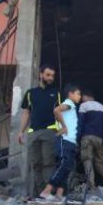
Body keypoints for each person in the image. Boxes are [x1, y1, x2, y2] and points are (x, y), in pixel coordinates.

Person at [17, 64, 60, 196]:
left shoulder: (57, 93)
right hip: (33, 133)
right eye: (48, 75)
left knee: (48, 163)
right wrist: (21, 131)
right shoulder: (30, 93)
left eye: (52, 76)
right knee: (36, 164)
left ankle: (49, 194)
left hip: (50, 132)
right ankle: (39, 194)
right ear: (41, 75)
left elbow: (62, 113)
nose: (50, 78)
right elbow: (26, 113)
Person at [38, 85, 82, 201]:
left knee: (67, 167)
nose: (80, 96)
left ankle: (59, 194)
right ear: (70, 94)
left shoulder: (72, 107)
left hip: (70, 141)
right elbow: (56, 110)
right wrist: (64, 126)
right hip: (65, 140)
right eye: (78, 94)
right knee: (63, 165)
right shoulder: (69, 103)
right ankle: (46, 191)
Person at [78, 89, 103, 189]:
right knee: (99, 164)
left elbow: (80, 124)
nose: (81, 99)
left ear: (86, 96)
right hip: (99, 139)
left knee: (87, 161)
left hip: (87, 137)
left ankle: (92, 187)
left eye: (82, 97)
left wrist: (77, 139)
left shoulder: (84, 106)